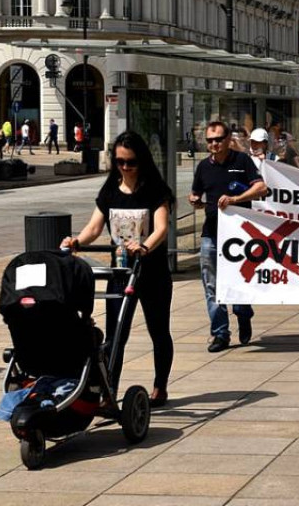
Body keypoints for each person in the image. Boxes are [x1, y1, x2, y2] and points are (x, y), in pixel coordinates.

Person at [63, 131, 174, 406]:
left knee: (158, 330)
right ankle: (108, 389)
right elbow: (94, 227)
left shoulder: (154, 189)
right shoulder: (110, 190)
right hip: (121, 273)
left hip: (152, 273)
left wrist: (145, 246)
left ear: (142, 161)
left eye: (131, 162)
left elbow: (161, 228)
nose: (125, 167)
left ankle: (160, 386)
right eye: (120, 162)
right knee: (116, 335)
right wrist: (76, 241)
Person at [189, 119, 267, 352]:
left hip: (239, 236)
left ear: (227, 140)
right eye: (210, 140)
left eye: (218, 139)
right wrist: (195, 201)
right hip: (211, 234)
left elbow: (261, 188)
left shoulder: (241, 161)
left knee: (240, 280)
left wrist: (235, 199)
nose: (214, 144)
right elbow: (196, 193)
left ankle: (243, 313)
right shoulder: (203, 166)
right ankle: (220, 333)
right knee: (211, 285)